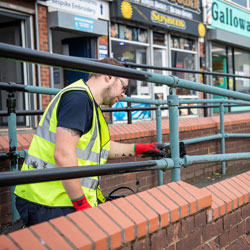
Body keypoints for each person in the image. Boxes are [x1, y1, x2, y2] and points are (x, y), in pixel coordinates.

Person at [14, 57, 166, 227]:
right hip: (50, 201)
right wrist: (81, 204)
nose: (124, 94)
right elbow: (63, 155)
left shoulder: (88, 103)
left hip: (57, 197)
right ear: (109, 76)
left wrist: (139, 149)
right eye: (123, 87)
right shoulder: (79, 100)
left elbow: (101, 149)